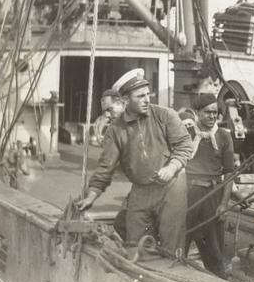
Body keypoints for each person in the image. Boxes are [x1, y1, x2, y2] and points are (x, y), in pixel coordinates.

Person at [76, 69, 194, 255]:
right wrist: (91, 196)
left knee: (171, 247)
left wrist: (171, 168)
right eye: (140, 96)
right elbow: (106, 167)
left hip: (172, 187)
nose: (147, 100)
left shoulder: (166, 116)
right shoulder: (115, 131)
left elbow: (185, 146)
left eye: (148, 94)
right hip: (140, 191)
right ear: (125, 101)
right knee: (135, 246)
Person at [183, 93, 236, 277]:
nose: (212, 116)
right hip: (187, 193)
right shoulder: (185, 133)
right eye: (207, 112)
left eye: (215, 112)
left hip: (213, 195)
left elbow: (229, 173)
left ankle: (217, 280)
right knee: (180, 240)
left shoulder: (224, 137)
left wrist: (224, 204)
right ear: (197, 112)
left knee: (214, 248)